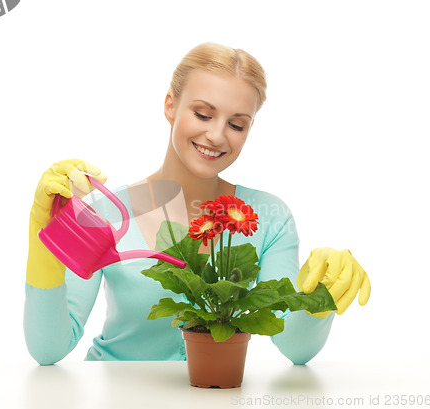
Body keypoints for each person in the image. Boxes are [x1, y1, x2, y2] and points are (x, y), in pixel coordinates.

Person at [24, 42, 371, 366]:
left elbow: (295, 348)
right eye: (204, 115)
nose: (218, 135)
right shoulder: (107, 214)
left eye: (237, 124)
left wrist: (321, 294)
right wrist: (44, 247)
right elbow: (49, 349)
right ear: (170, 105)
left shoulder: (271, 217)